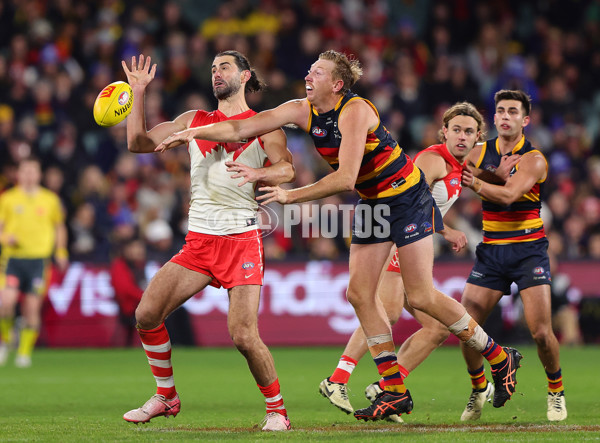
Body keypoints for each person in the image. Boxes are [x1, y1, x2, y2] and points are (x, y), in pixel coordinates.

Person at [157, 50, 522, 421]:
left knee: (421, 296)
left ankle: (497, 355)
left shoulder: (356, 110)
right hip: (372, 202)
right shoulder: (302, 108)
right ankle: (394, 391)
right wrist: (192, 131)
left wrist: (290, 196)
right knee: (360, 295)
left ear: (336, 83)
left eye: (317, 71)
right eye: (310, 68)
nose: (308, 74)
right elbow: (238, 129)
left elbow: (345, 178)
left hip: (406, 197)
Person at [120, 51, 295, 431]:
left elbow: (287, 168)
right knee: (146, 315)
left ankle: (277, 411)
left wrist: (258, 172)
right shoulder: (193, 121)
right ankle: (166, 395)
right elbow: (138, 143)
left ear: (246, 75)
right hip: (199, 241)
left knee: (244, 336)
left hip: (242, 240)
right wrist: (138, 92)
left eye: (225, 67)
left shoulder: (264, 126)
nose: (216, 73)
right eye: (213, 68)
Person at [317, 102, 494, 421]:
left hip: (409, 237)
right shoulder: (433, 159)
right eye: (456, 130)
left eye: (468, 132)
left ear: (478, 137)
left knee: (437, 328)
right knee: (386, 310)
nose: (462, 137)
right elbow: (411, 196)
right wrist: (446, 229)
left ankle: (384, 387)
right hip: (401, 237)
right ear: (445, 132)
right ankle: (339, 380)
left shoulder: (458, 167)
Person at [461, 89, 567, 421]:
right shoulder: (480, 152)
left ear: (525, 120)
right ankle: (479, 388)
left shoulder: (534, 159)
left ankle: (555, 391)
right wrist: (487, 175)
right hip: (492, 249)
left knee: (540, 332)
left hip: (528, 250)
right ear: (494, 118)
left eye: (513, 111)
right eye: (501, 111)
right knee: (465, 325)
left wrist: (478, 181)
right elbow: (457, 175)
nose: (506, 116)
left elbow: (508, 195)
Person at [0, 156, 69, 367]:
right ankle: (6, 340)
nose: (29, 176)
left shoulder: (50, 200)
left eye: (33, 171)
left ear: (39, 175)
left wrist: (61, 251)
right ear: (18, 174)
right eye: (25, 171)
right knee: (5, 304)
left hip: (38, 261)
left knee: (31, 308)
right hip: (13, 259)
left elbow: (59, 226)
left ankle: (23, 352)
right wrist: (5, 238)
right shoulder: (8, 199)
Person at [109, 237, 147, 347]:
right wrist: (148, 297)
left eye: (140, 247)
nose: (138, 250)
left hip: (141, 305)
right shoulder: (119, 265)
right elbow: (125, 289)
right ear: (126, 250)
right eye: (134, 247)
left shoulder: (141, 265)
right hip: (130, 309)